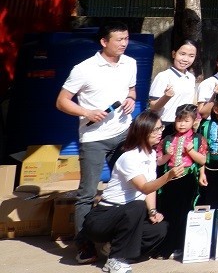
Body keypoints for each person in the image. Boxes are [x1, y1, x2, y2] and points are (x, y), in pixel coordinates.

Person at [57, 22, 138, 264]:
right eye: (119, 39)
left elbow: (132, 90)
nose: (124, 43)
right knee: (88, 193)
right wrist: (87, 112)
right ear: (104, 42)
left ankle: (120, 237)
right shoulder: (84, 68)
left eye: (126, 38)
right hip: (93, 139)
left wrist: (131, 99)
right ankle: (83, 243)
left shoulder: (130, 63)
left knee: (128, 186)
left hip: (124, 133)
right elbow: (62, 101)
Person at [80, 111, 189, 273]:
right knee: (137, 206)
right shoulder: (129, 157)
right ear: (143, 132)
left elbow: (151, 186)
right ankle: (115, 260)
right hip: (103, 218)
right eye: (156, 130)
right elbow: (144, 188)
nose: (160, 132)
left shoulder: (151, 154)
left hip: (128, 216)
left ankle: (113, 248)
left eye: (161, 128)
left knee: (159, 229)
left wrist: (152, 211)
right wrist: (168, 176)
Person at [154, 104, 203, 259]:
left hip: (188, 180)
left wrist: (190, 151)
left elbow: (203, 159)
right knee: (168, 213)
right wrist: (168, 156)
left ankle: (181, 246)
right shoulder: (167, 139)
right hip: (169, 180)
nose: (182, 124)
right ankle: (165, 247)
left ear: (193, 122)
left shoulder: (197, 139)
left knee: (184, 214)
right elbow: (159, 162)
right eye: (179, 120)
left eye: (186, 121)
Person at [147, 38, 197, 135]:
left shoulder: (191, 78)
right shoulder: (163, 76)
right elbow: (153, 106)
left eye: (191, 56)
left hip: (185, 126)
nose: (186, 59)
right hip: (166, 125)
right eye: (182, 54)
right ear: (174, 54)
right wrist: (166, 96)